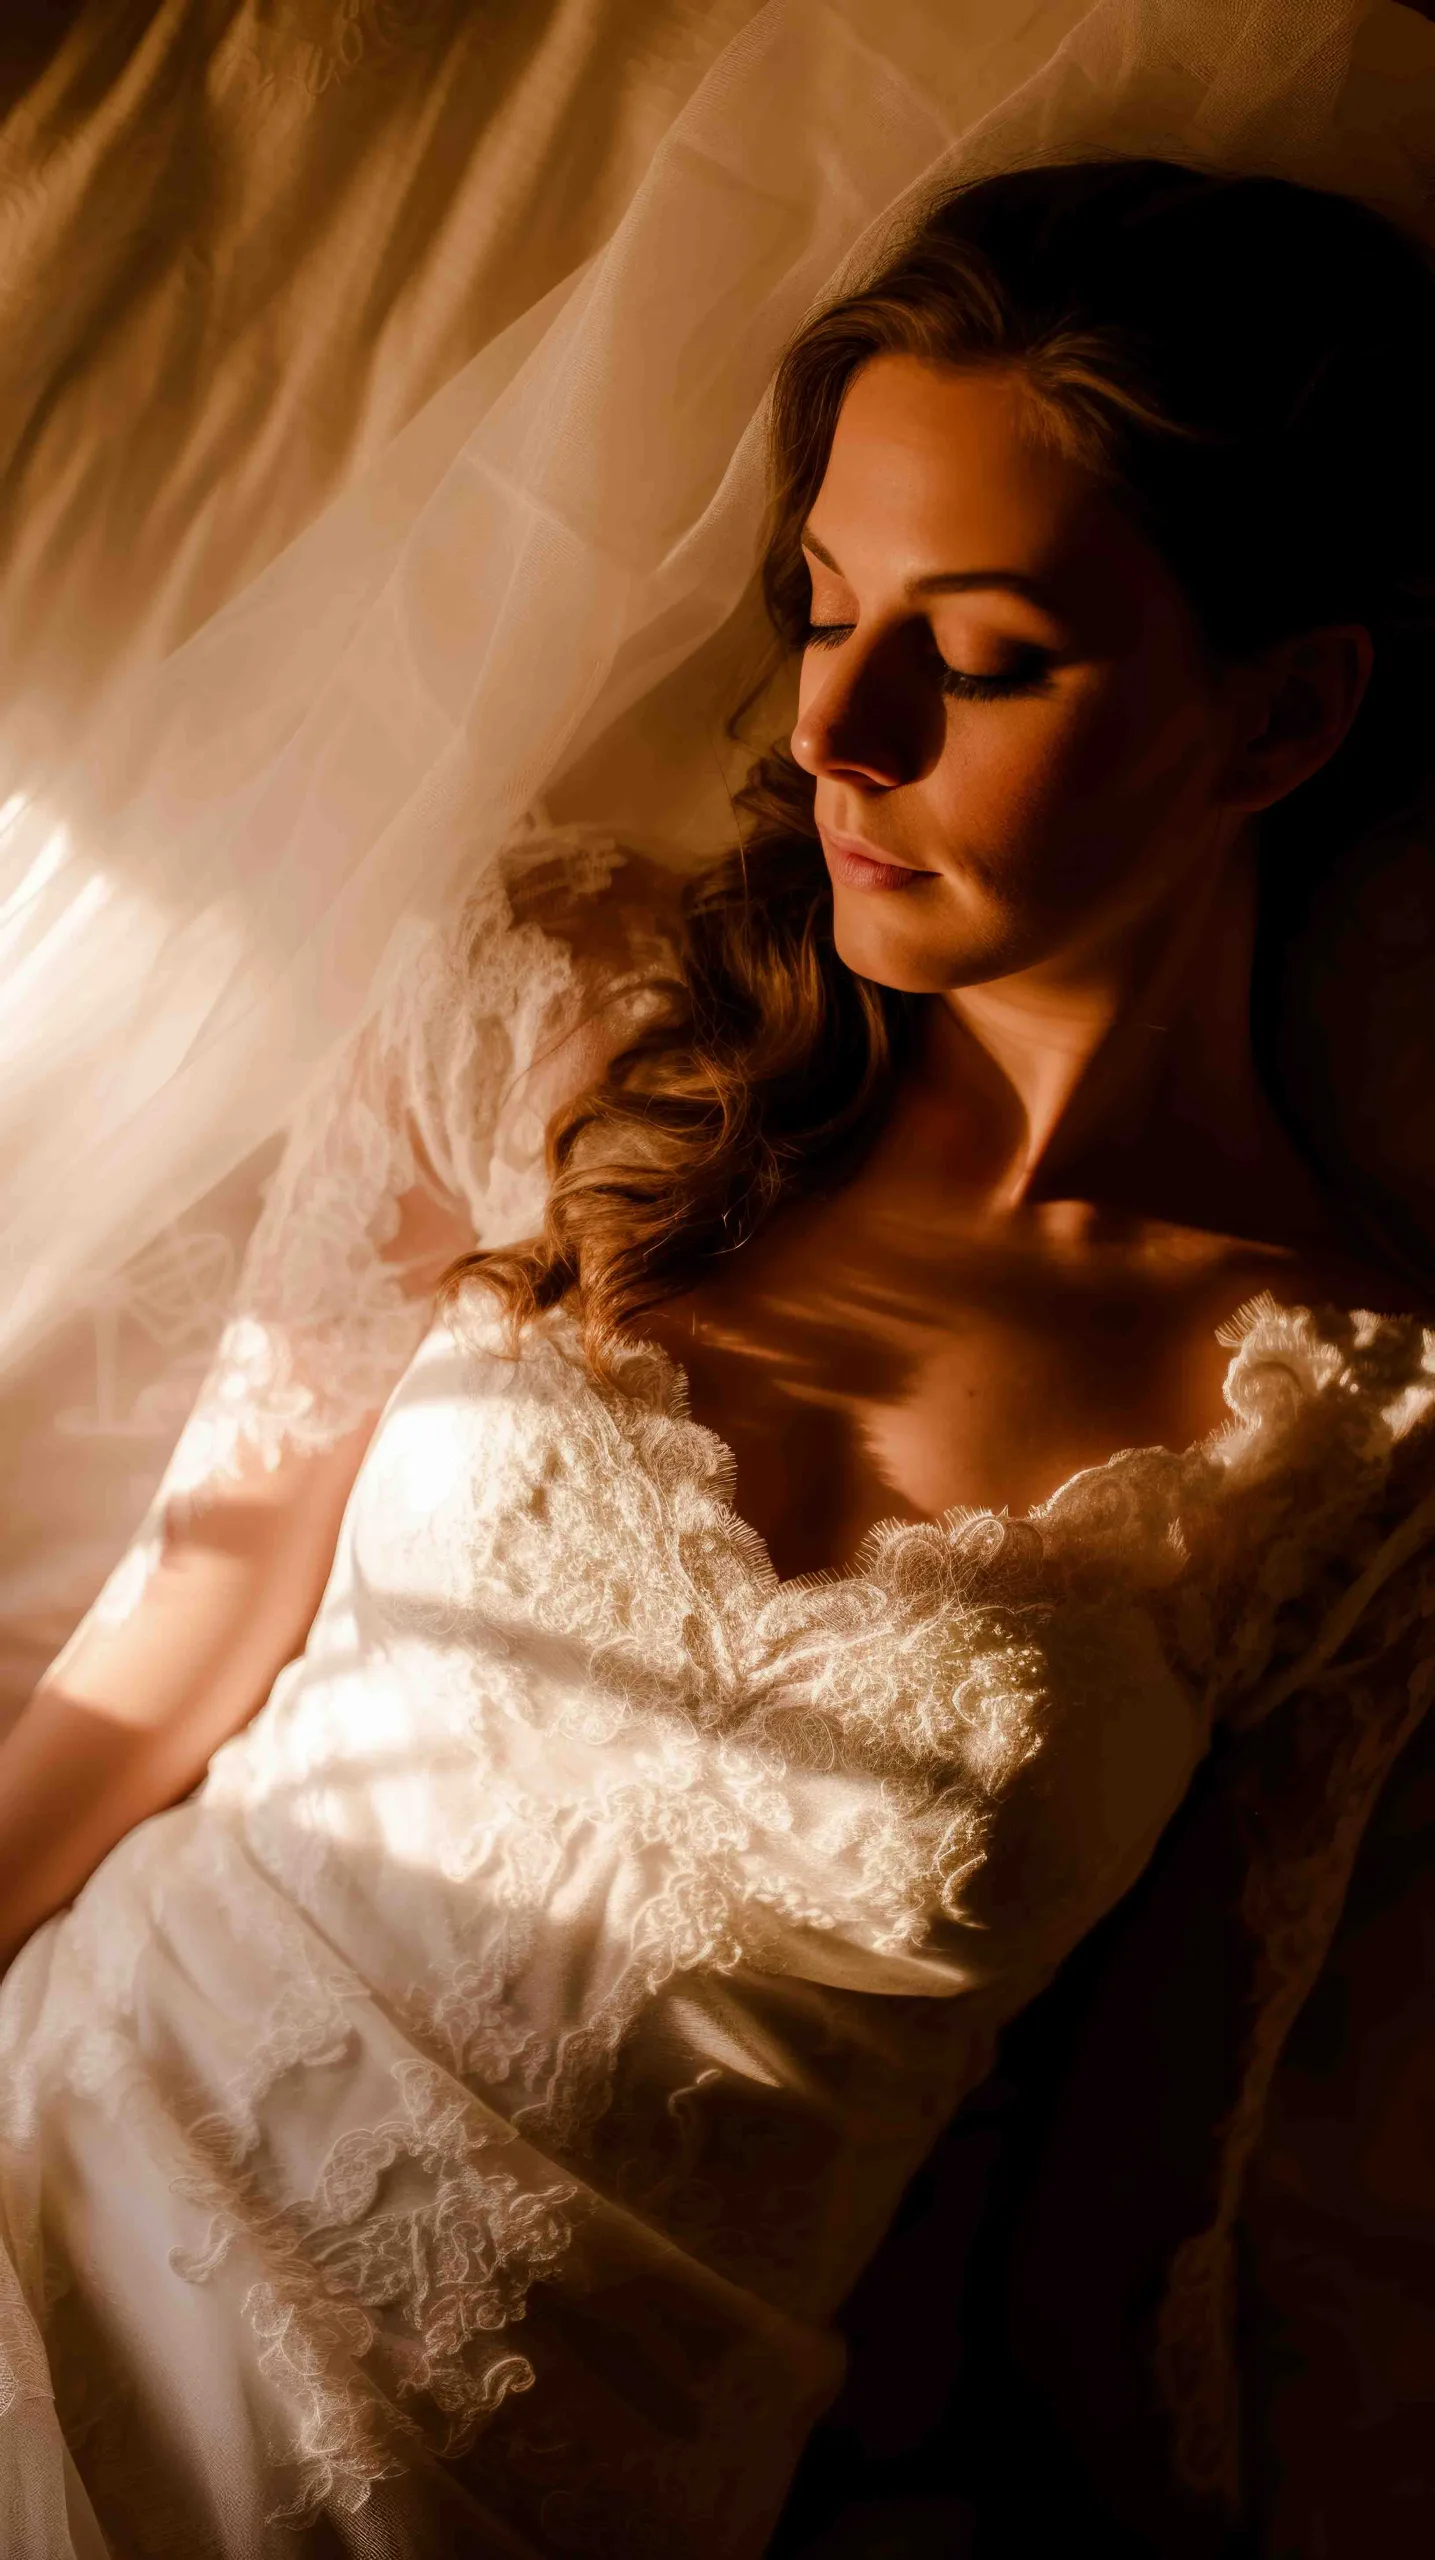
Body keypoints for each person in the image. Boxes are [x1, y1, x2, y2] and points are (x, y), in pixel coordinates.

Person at [0, 152, 1433, 2558]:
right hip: (63, 2204)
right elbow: (150, 1678)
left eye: (973, 656)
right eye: (822, 603)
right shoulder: (551, 1014)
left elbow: (1110, 2254)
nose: (834, 728)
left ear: (1280, 714)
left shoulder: (1352, 1434)